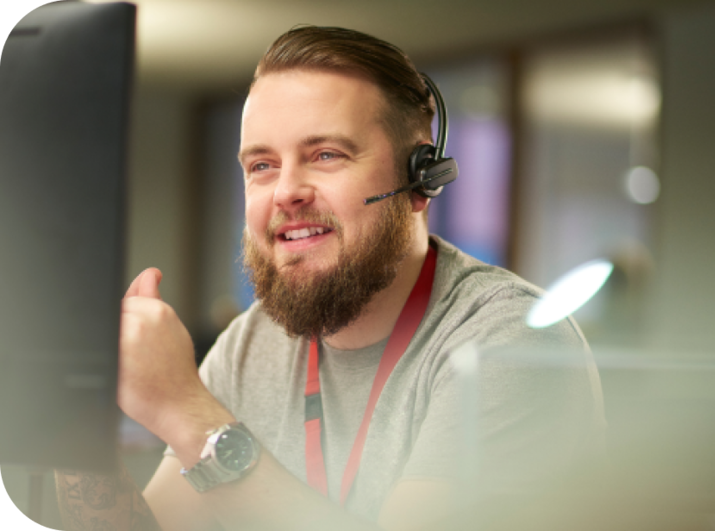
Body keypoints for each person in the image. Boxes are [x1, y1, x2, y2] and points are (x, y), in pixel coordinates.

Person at [56, 26, 605, 531]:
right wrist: (68, 409)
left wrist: (187, 414)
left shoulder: (509, 342)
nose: (285, 192)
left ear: (420, 180)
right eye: (262, 166)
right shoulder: (251, 343)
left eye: (325, 154)